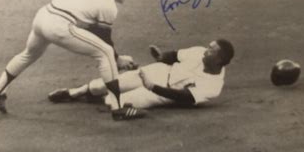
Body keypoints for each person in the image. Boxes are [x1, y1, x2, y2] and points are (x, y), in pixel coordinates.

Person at [0, 0, 143, 120]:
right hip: (58, 25)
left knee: (28, 54)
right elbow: (104, 39)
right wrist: (118, 59)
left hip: (42, 17)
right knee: (106, 52)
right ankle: (118, 108)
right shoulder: (109, 5)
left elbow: (93, 30)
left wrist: (117, 58)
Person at [48, 39, 235, 113]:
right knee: (108, 84)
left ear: (219, 60)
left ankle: (124, 108)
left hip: (164, 94)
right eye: (209, 47)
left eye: (211, 51)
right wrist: (161, 56)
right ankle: (73, 92)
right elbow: (175, 55)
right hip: (160, 71)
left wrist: (152, 86)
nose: (205, 51)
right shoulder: (199, 51)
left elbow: (182, 97)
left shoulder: (213, 86)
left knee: (115, 102)